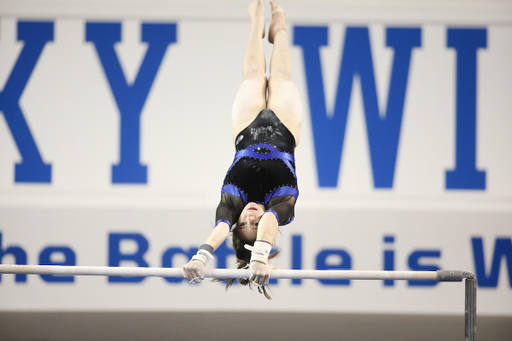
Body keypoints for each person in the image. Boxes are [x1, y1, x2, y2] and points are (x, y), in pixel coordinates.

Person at [182, 0, 302, 299]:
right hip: (285, 130)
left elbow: (220, 228)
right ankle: (280, 22)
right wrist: (260, 255)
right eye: (257, 222)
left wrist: (202, 256)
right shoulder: (282, 208)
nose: (252, 215)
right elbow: (271, 221)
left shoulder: (230, 204)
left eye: (245, 222)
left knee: (253, 77)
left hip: (246, 130)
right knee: (280, 78)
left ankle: (256, 24)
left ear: (238, 223)